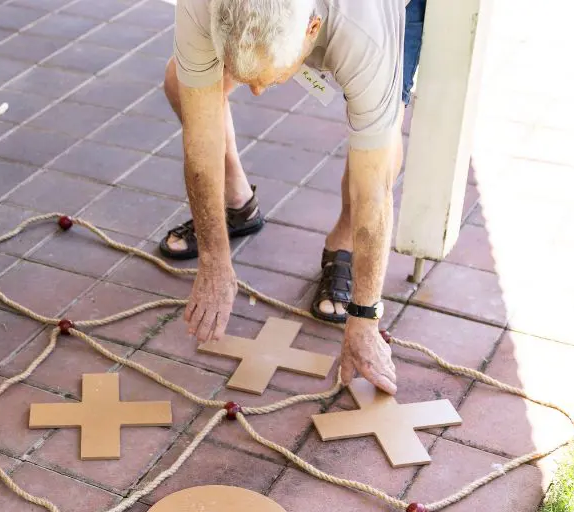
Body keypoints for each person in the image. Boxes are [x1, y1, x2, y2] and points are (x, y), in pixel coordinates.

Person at [162, 0, 427, 396]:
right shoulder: (202, 6)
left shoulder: (367, 32)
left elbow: (374, 191)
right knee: (180, 84)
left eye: (267, 79)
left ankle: (343, 244)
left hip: (370, 15)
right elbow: (200, 144)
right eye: (246, 76)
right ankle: (236, 203)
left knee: (379, 157)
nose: (255, 90)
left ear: (312, 29)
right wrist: (214, 261)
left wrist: (365, 317)